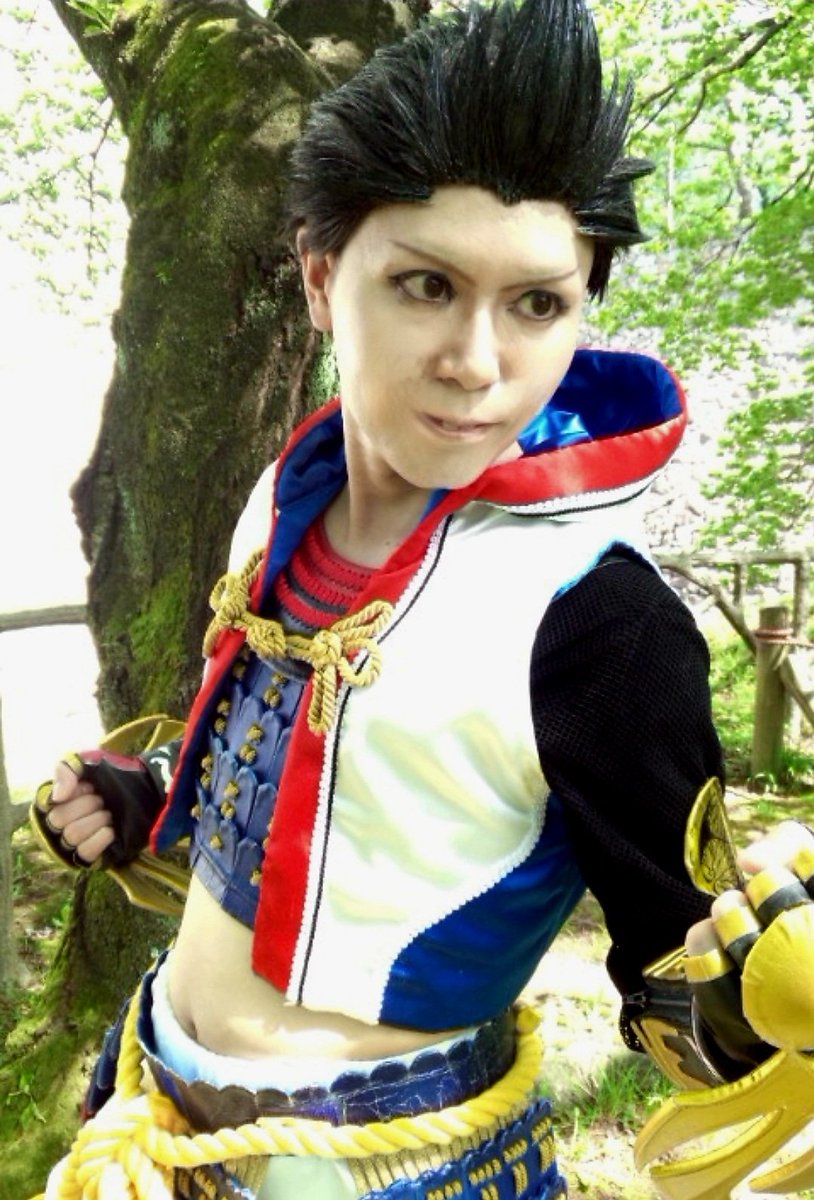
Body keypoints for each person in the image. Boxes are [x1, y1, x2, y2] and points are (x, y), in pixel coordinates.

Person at [32, 1, 814, 1197]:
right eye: (425, 284)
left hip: (385, 1167)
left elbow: (678, 993)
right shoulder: (287, 495)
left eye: (536, 303)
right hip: (140, 1090)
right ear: (319, 277)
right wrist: (150, 797)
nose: (475, 362)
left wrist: (764, 991)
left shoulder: (599, 623)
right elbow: (305, 784)